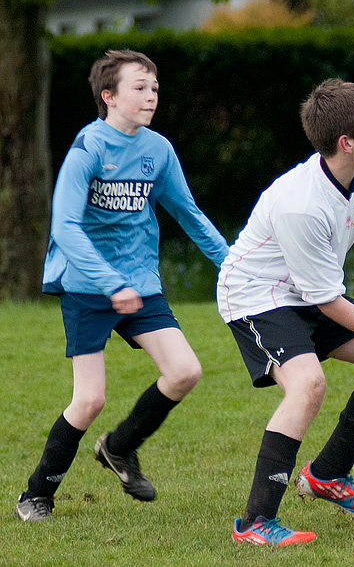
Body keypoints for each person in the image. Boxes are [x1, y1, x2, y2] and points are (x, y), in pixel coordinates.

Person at [217, 78, 354, 547]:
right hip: (257, 295)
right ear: (346, 142)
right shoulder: (302, 205)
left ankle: (328, 474)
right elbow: (327, 302)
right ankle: (254, 523)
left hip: (305, 291)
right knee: (308, 384)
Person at [15, 50, 229, 522]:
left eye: (154, 87)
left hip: (139, 283)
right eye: (139, 87)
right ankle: (37, 493)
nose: (151, 95)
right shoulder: (88, 148)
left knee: (184, 371)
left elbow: (188, 213)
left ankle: (119, 447)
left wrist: (231, 264)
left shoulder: (158, 150)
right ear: (108, 96)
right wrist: (109, 282)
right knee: (89, 399)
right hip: (87, 286)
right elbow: (65, 228)